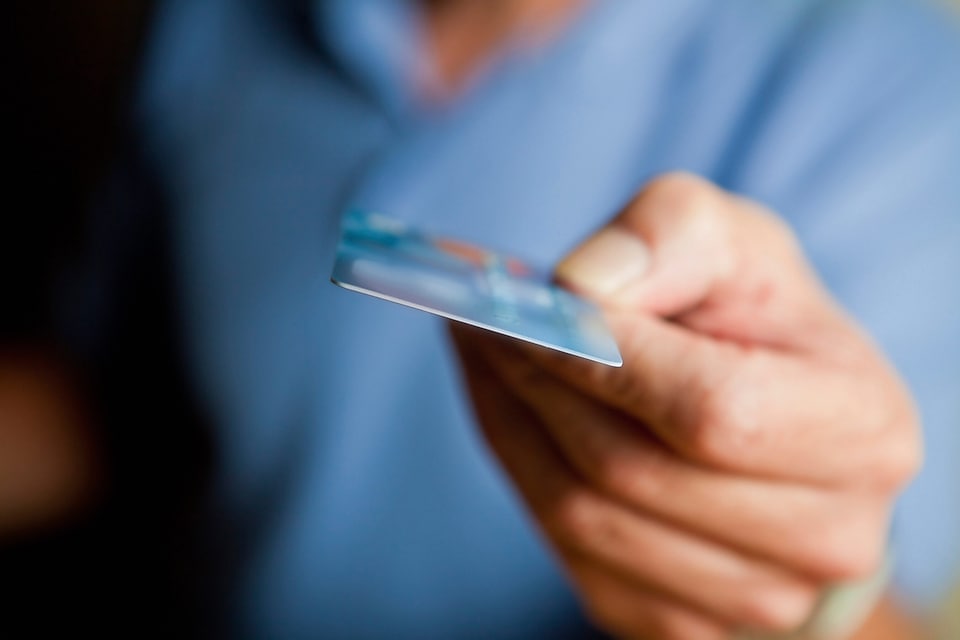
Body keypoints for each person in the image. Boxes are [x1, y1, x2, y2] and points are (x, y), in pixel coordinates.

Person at [4, 0, 959, 638]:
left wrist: (811, 604)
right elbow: (128, 392)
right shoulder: (214, 23)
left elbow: (874, 596)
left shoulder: (909, 90)